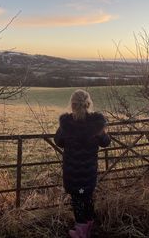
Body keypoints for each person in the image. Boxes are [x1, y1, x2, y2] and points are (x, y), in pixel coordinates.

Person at [54, 89, 111, 238]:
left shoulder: (66, 124)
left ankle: (81, 231)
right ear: (88, 103)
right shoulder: (96, 124)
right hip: (89, 171)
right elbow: (106, 142)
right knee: (87, 196)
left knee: (77, 200)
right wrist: (102, 133)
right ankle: (89, 223)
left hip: (73, 172)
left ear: (72, 105)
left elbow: (58, 141)